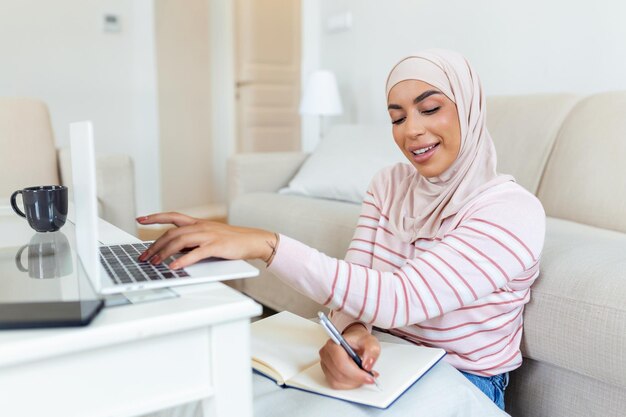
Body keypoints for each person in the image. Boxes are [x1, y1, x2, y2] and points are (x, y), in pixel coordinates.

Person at [137, 49, 545, 411]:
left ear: (469, 109)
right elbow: (360, 273)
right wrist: (350, 333)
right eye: (397, 117)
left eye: (430, 108)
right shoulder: (389, 184)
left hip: (463, 380)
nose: (411, 130)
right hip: (384, 359)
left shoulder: (512, 211)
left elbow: (400, 299)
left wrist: (267, 244)